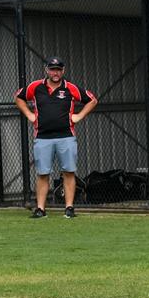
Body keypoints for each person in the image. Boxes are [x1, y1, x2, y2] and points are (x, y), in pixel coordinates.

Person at [14, 56, 98, 218]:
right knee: (42, 173)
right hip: (42, 137)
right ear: (47, 70)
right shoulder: (36, 87)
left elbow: (92, 100)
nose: (55, 72)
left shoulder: (70, 88)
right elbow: (18, 97)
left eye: (58, 69)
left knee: (68, 172)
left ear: (63, 71)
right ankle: (40, 209)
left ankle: (69, 208)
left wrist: (78, 116)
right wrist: (29, 115)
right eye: (52, 69)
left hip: (66, 136)